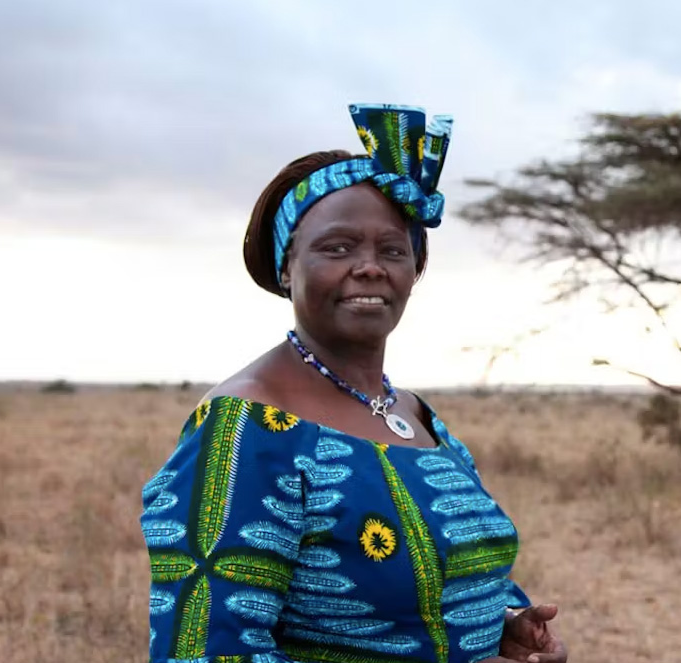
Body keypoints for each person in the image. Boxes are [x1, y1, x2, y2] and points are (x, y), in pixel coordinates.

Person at [140, 103, 568, 663]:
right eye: (337, 247)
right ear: (287, 266)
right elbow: (202, 652)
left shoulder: (415, 415)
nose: (370, 267)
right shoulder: (246, 426)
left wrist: (502, 626)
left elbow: (430, 589)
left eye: (393, 250)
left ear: (414, 271)